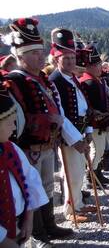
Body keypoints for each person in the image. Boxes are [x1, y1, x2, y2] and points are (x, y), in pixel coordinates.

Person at [4, 18, 86, 247]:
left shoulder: (43, 80)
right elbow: (15, 119)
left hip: (48, 144)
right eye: (33, 53)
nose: (40, 57)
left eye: (41, 52)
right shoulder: (14, 82)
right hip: (28, 148)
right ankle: (37, 234)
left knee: (47, 186)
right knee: (31, 190)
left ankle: (49, 226)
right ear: (20, 57)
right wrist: (45, 120)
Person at [48, 28, 94, 223]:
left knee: (79, 171)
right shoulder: (55, 80)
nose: (70, 62)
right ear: (57, 59)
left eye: (72, 58)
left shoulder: (72, 77)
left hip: (81, 132)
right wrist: (75, 140)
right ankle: (71, 210)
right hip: (70, 137)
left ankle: (78, 204)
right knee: (71, 173)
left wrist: (89, 131)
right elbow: (61, 115)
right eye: (65, 58)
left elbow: (84, 106)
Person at [0, 85, 48, 248]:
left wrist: (29, 218)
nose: (14, 128)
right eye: (11, 122)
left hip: (19, 225)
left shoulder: (11, 148)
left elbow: (30, 181)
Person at [78, 42, 109, 187]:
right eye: (98, 65)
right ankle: (91, 177)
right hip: (95, 124)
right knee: (97, 150)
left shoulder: (96, 80)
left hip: (101, 121)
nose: (101, 68)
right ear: (90, 67)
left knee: (99, 151)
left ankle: (98, 173)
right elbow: (91, 106)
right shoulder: (88, 82)